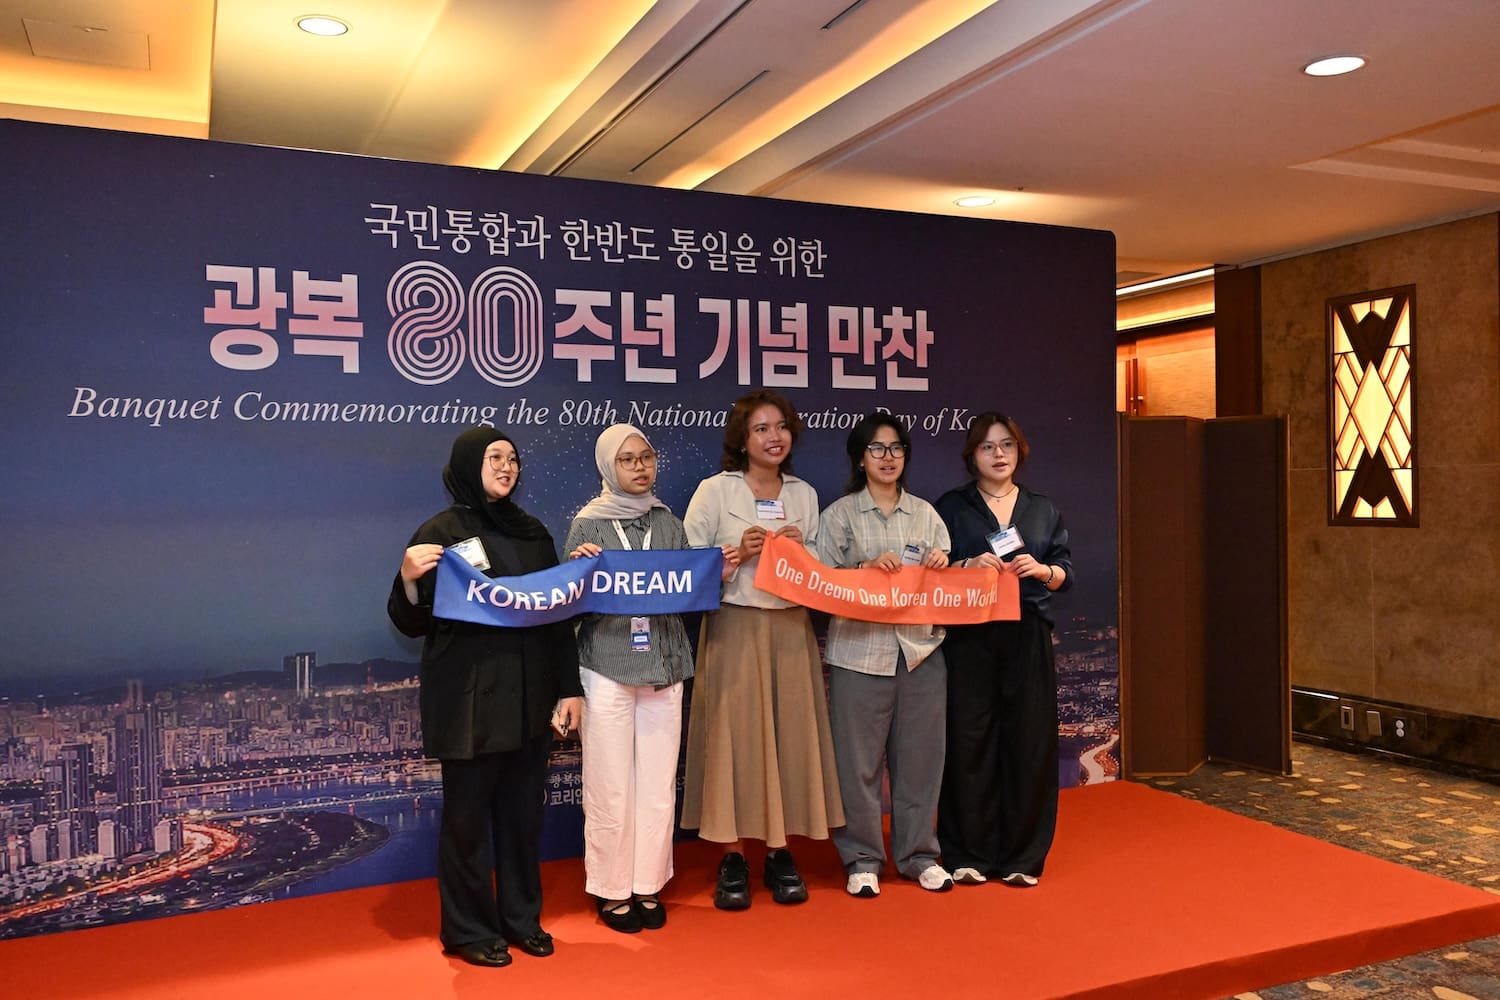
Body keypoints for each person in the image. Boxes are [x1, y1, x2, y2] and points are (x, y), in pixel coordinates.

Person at [387, 427, 583, 968]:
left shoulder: (534, 534)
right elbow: (410, 621)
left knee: (523, 820)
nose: (506, 467)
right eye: (495, 458)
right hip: (468, 701)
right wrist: (405, 580)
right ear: (469, 464)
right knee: (468, 823)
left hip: (529, 699)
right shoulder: (439, 532)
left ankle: (522, 921)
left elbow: (557, 620)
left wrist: (570, 689)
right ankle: (470, 931)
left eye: (513, 459)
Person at [564, 424, 736, 934]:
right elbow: (567, 603)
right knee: (610, 785)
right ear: (607, 469)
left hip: (664, 666)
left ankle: (647, 884)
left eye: (647, 458)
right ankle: (613, 891)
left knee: (659, 786)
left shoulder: (669, 522)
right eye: (627, 460)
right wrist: (577, 572)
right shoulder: (587, 526)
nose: (640, 468)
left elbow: (688, 588)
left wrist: (716, 572)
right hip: (607, 667)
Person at [681, 389, 844, 909]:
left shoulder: (804, 494)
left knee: (788, 736)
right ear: (742, 440)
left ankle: (779, 850)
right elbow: (685, 567)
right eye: (761, 429)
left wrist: (801, 552)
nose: (774, 437)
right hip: (734, 625)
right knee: (734, 739)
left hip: (792, 628)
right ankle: (731, 854)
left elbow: (820, 569)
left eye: (781, 427)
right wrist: (731, 557)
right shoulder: (714, 491)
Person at [815, 412, 954, 898]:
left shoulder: (927, 514)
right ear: (860, 457)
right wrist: (863, 569)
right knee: (859, 765)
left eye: (896, 448)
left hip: (920, 653)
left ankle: (919, 855)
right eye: (877, 448)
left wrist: (943, 565)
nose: (888, 457)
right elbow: (820, 586)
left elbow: (946, 589)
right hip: (859, 654)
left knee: (920, 761)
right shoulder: (837, 516)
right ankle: (862, 857)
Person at [935, 411, 1072, 888]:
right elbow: (932, 569)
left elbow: (1065, 569)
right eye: (988, 446)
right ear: (972, 455)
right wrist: (966, 563)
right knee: (967, 741)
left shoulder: (1041, 507)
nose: (998, 454)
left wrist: (1045, 571)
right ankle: (967, 852)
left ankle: (1022, 856)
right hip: (969, 635)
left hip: (1027, 633)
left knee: (1029, 742)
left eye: (1007, 446)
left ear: (1019, 452)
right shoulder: (952, 506)